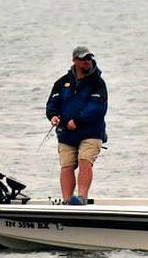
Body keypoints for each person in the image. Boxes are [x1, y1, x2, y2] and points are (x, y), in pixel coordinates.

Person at [46, 46, 108, 205]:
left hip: (91, 133)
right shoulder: (62, 82)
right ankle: (67, 201)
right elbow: (53, 102)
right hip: (66, 134)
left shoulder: (98, 83)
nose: (87, 61)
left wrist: (77, 121)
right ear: (74, 60)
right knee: (66, 165)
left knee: (84, 160)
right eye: (83, 59)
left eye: (89, 58)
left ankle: (81, 197)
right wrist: (53, 116)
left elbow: (97, 108)